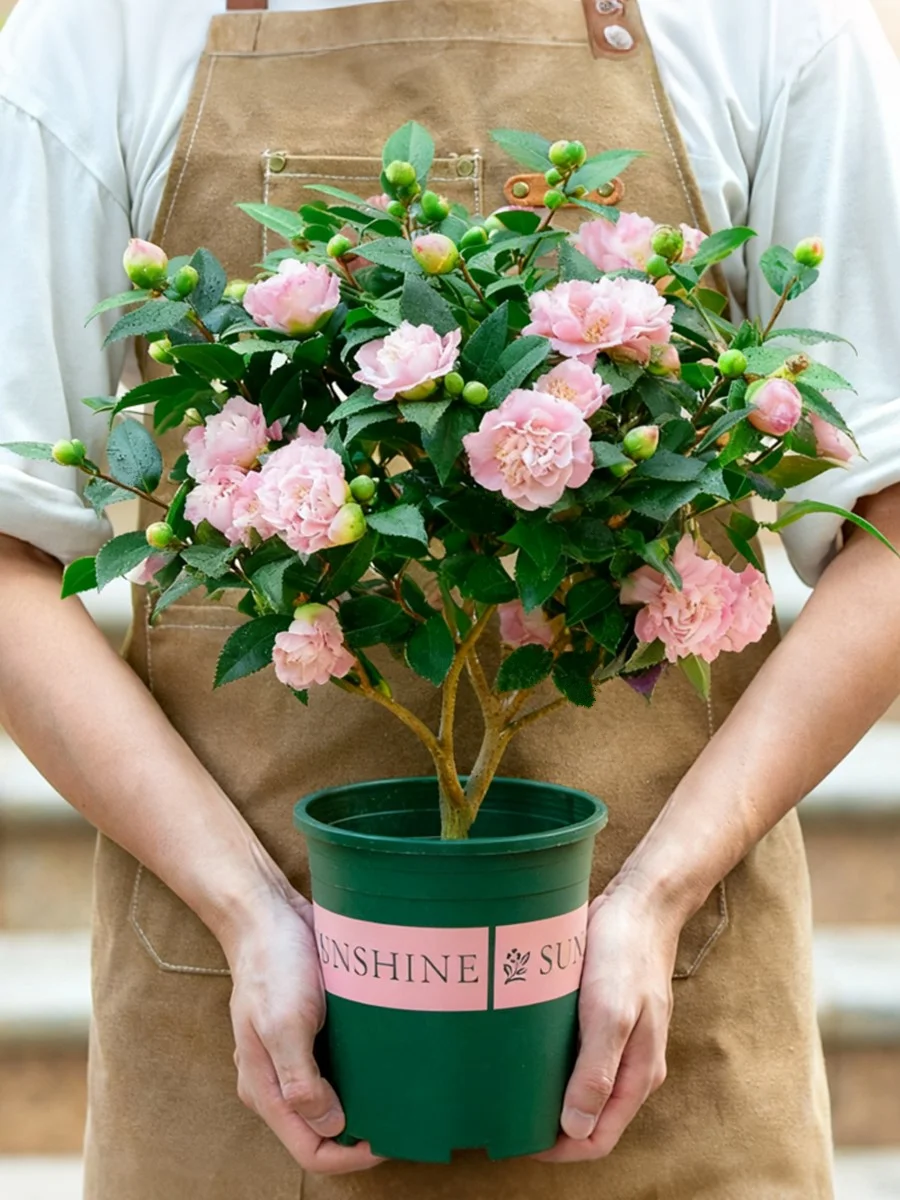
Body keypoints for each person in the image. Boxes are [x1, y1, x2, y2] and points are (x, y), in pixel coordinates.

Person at [1, 0, 899, 1196]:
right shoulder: (101, 33)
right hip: (241, 1037)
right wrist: (251, 916)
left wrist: (659, 895)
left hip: (665, 1031)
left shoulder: (773, 25)